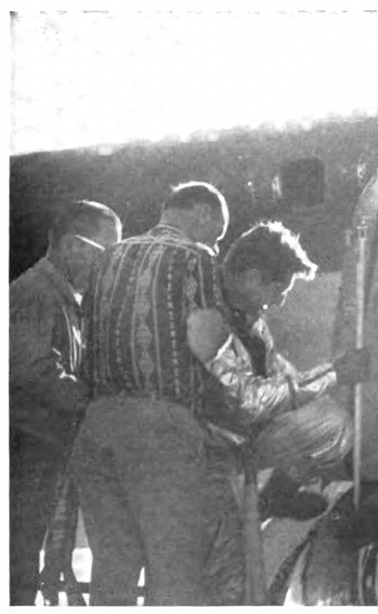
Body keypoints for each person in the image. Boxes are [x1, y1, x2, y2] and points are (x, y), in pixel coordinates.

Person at [69, 182, 239, 606]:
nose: (216, 244)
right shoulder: (197, 258)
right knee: (175, 572)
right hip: (161, 430)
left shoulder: (107, 257)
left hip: (97, 427)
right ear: (202, 213)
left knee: (113, 572)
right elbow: (207, 347)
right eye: (217, 233)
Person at [187, 221, 367, 519]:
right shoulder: (207, 316)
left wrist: (325, 378)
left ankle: (272, 499)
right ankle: (267, 503)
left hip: (230, 428)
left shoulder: (246, 316)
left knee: (321, 411)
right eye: (278, 291)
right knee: (331, 425)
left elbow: (277, 375)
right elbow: (250, 401)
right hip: (207, 439)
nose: (280, 301)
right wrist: (333, 374)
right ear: (252, 278)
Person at [9, 200, 122, 605]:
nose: (110, 269)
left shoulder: (59, 298)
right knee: (17, 562)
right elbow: (33, 371)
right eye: (107, 255)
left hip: (39, 448)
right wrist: (95, 402)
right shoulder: (33, 294)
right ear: (73, 246)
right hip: (27, 448)